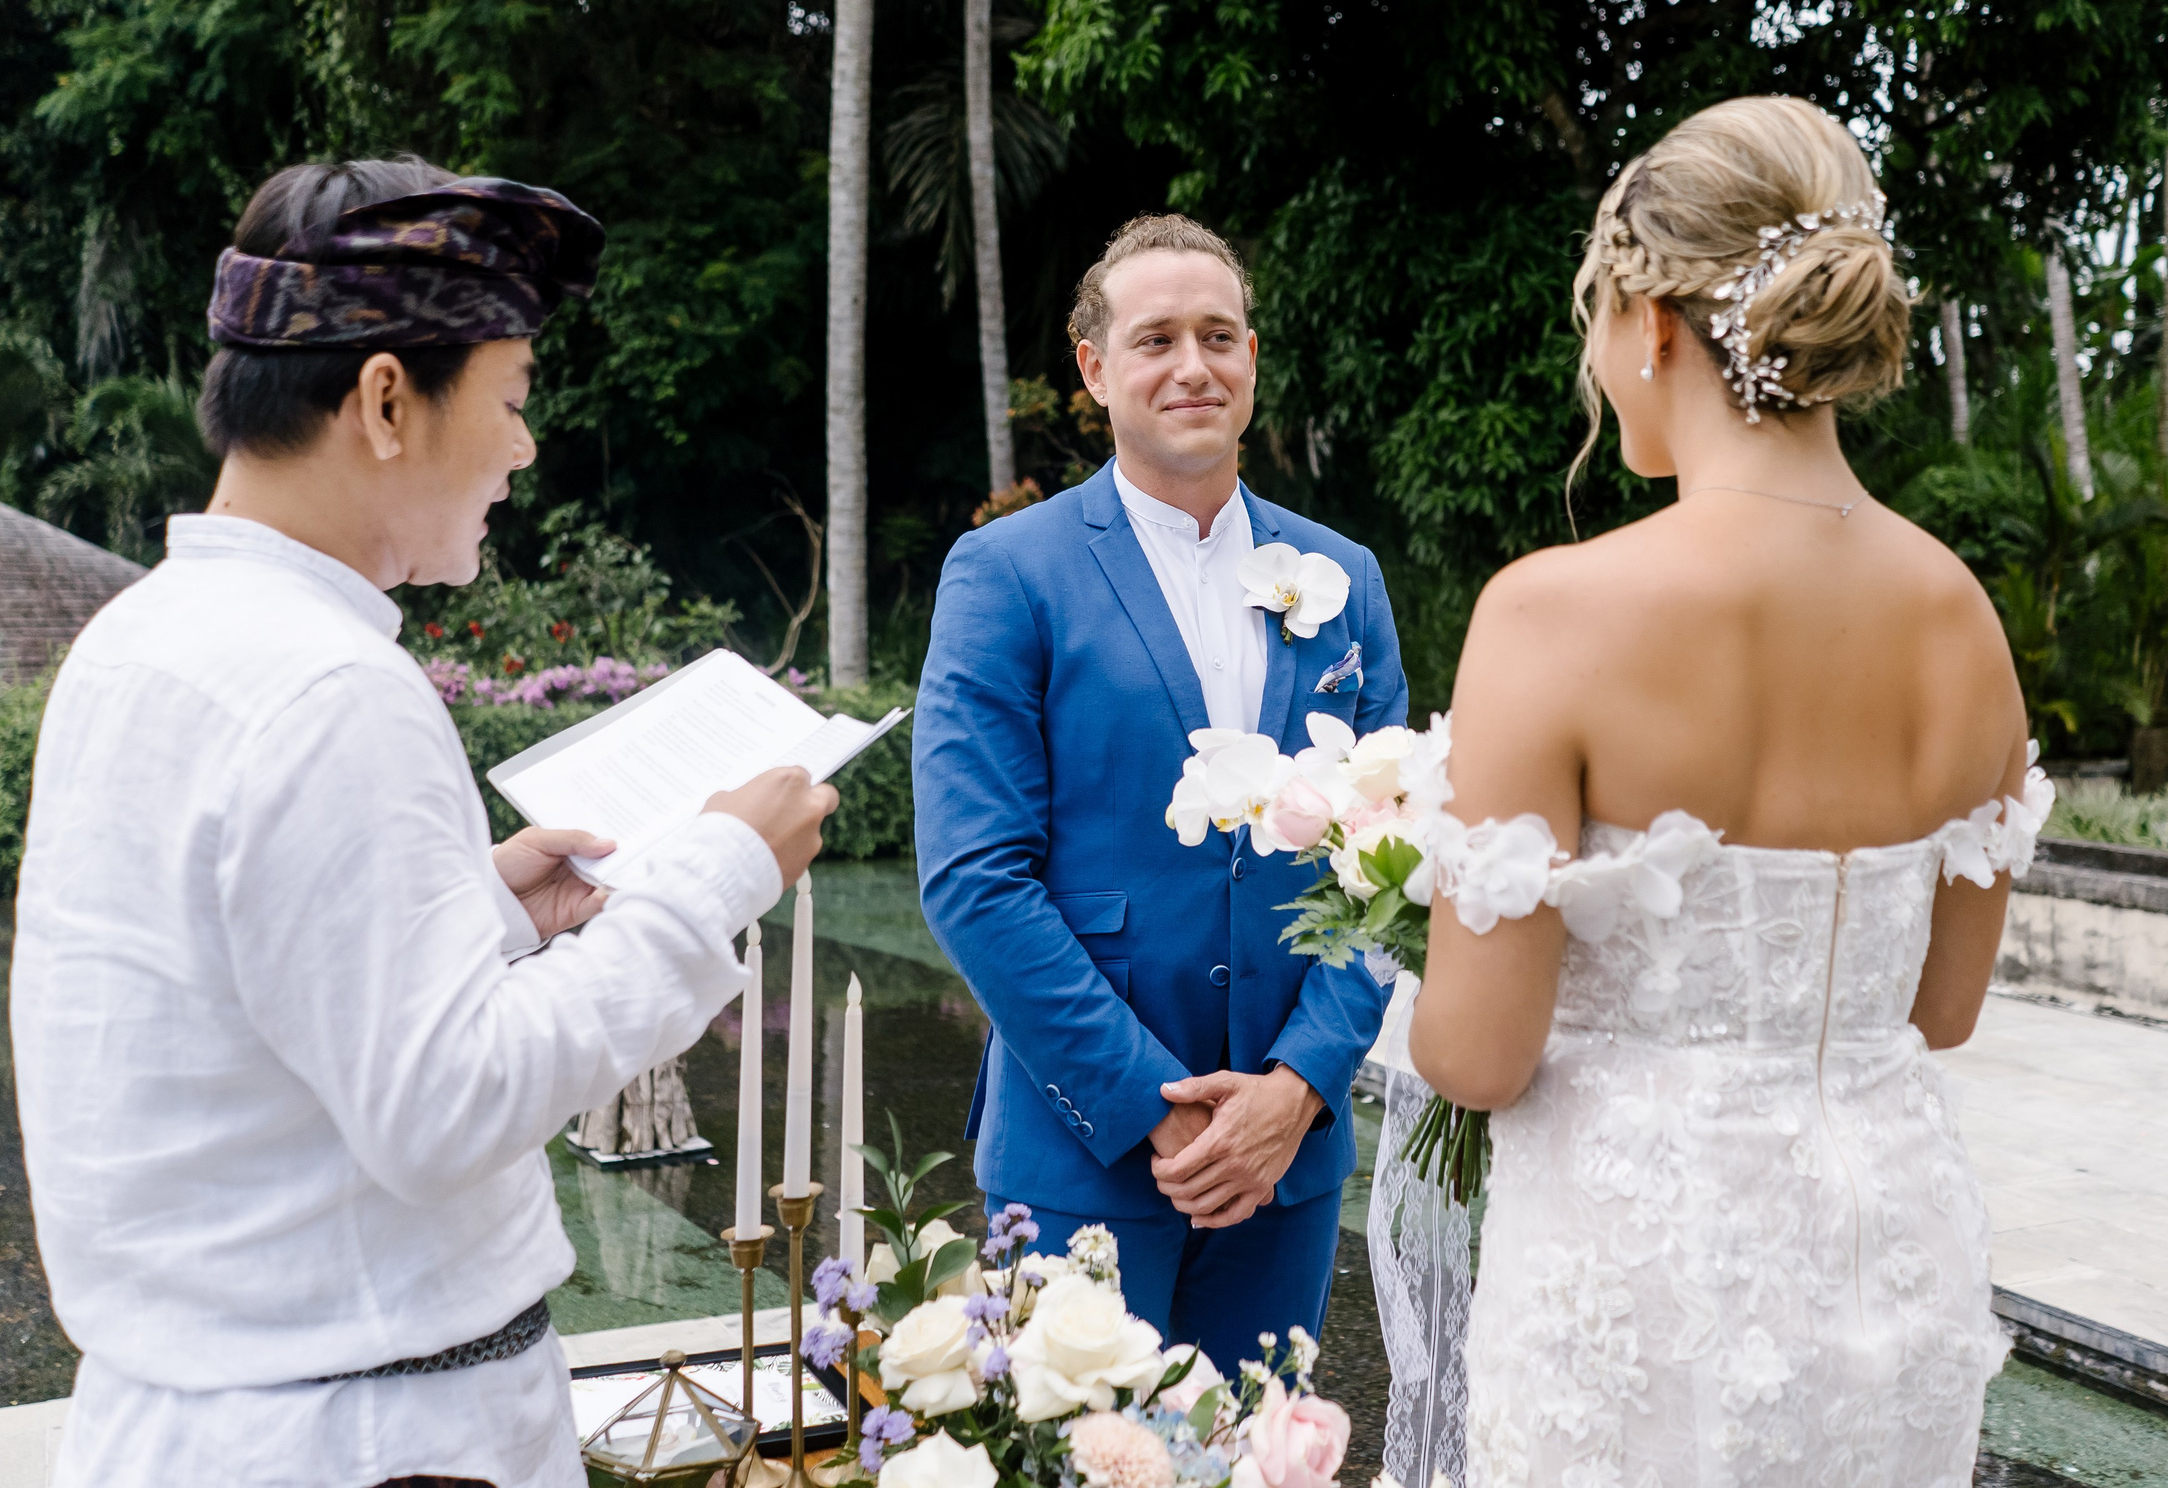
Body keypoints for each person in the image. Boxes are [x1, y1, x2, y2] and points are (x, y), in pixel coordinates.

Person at [10, 158, 837, 1488]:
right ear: (386, 399)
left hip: (196, 1418)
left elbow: (232, 993)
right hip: (366, 1438)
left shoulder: (142, 640)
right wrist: (714, 875)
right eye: (509, 400)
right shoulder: (331, 687)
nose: (521, 445)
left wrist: (479, 913)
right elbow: (443, 1105)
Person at [1404, 98, 2050, 1487]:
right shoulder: (1960, 616)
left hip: (1642, 1299)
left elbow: (1477, 1056)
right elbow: (1940, 1009)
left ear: (1649, 318)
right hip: (1893, 1273)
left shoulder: (1553, 614)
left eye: (1595, 313)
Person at [913, 214, 1405, 1378]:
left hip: (1287, 1155)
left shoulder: (1346, 579)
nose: (1194, 364)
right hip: (1083, 1152)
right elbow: (975, 879)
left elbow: (1394, 860)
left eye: (1219, 334)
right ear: (1094, 368)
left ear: (1251, 357)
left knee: (1265, 1452)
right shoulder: (1005, 572)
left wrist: (1300, 1084)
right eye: (1156, 338)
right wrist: (1155, 1105)